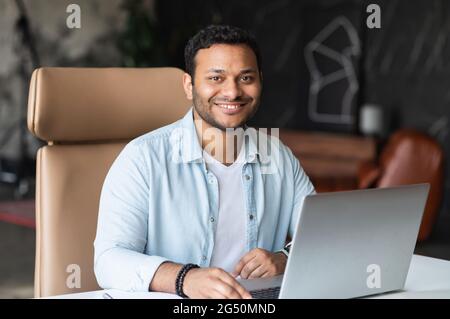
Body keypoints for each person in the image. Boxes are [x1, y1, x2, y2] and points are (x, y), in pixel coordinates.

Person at [94, 24, 315, 299]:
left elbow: (320, 236)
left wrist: (284, 258)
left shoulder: (277, 155)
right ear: (189, 86)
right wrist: (185, 278)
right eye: (216, 78)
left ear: (260, 81)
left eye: (245, 78)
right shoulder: (143, 158)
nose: (233, 92)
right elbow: (108, 261)